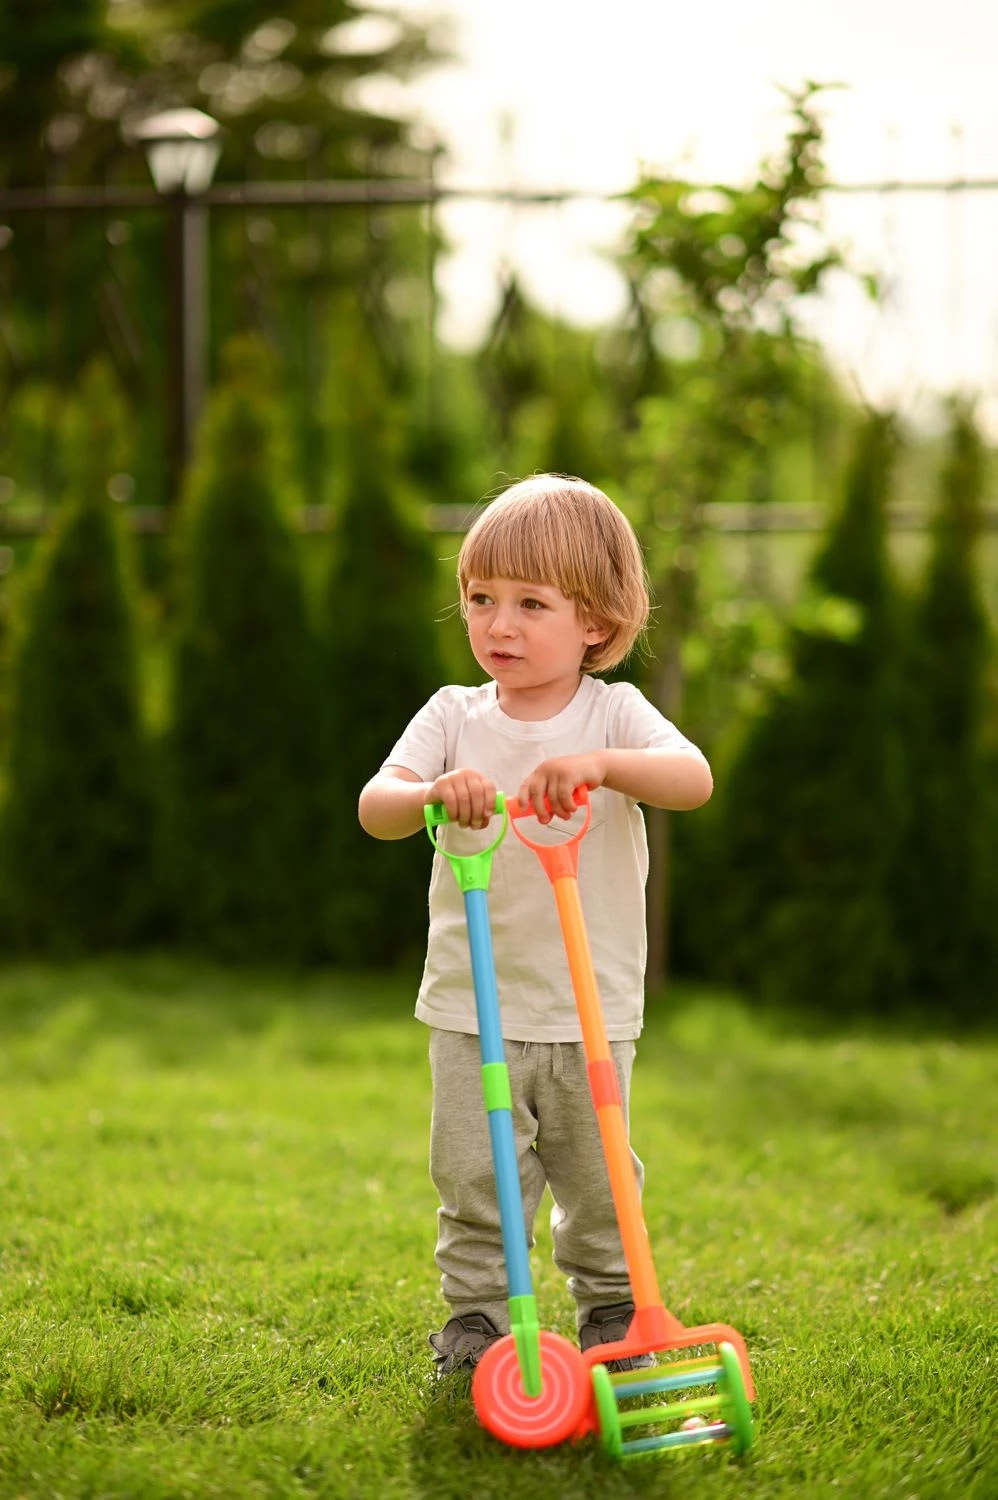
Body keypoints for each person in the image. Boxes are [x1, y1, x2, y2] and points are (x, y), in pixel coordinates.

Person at [357, 474, 712, 1377]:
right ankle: (474, 1319)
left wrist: (601, 765)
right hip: (474, 1004)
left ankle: (611, 1313)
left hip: (588, 1005)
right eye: (481, 599)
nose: (497, 625)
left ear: (595, 622)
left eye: (529, 603)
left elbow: (693, 779)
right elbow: (376, 805)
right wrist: (433, 793)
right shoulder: (453, 715)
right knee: (478, 1179)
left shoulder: (613, 713)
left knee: (598, 1181)